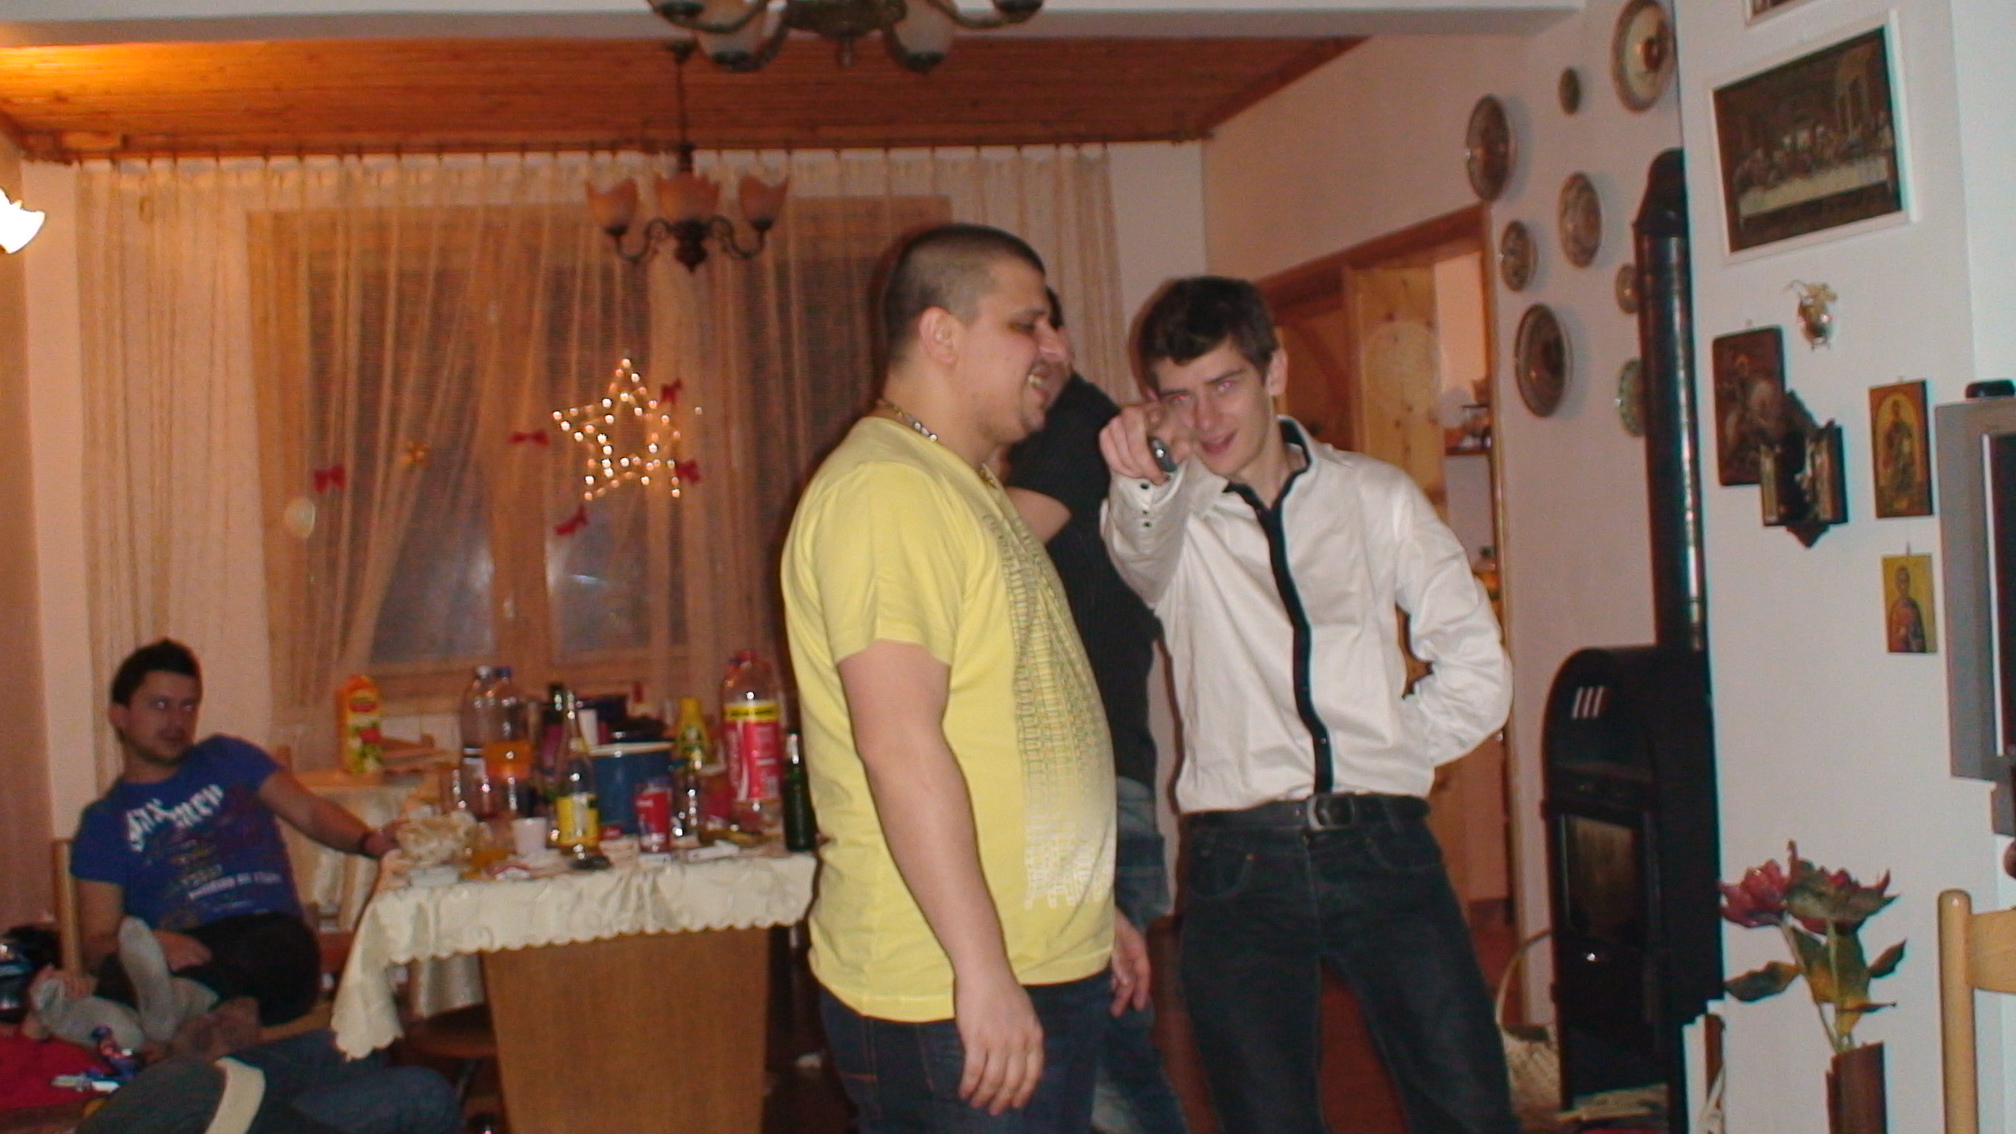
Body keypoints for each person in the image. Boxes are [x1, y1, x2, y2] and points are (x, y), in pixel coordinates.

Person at [1099, 277, 1516, 1134]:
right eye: (1180, 396)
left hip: (1385, 849)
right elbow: (1138, 552)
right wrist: (1142, 473)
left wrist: (1388, 752)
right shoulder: (1171, 523)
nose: (1207, 417)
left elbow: (1479, 667)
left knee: (1471, 1112)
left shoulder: (1376, 497)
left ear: (1275, 371)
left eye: (1225, 384)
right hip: (1240, 863)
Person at [781, 223, 1148, 1133]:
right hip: (947, 985)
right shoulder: (887, 493)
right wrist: (981, 969)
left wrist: (1082, 909)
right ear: (942, 335)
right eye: (1028, 325)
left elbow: (1012, 725)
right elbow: (901, 746)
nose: (1055, 349)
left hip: (1028, 957)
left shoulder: (960, 487)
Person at [1004, 293, 1188, 1134]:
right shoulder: (1048, 436)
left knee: (1106, 1060)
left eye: (1055, 324)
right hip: (1086, 780)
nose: (1047, 345)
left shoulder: (1077, 427)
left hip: (1093, 786)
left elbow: (977, 564)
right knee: (1091, 1059)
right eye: (1025, 327)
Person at [60, 640, 398, 1045]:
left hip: (266, 940)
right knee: (124, 968)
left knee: (280, 946)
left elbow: (309, 812)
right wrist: (151, 945)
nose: (177, 720)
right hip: (175, 953)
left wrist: (370, 842)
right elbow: (96, 945)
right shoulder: (104, 822)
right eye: (160, 705)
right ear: (120, 716)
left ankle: (175, 1007)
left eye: (188, 706)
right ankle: (182, 1007)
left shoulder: (228, 757)